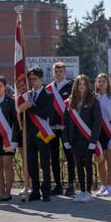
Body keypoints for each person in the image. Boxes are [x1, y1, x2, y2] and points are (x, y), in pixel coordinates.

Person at [63, 74, 102, 202]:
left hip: (88, 138)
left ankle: (89, 192)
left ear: (87, 85)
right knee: (78, 164)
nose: (82, 87)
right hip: (75, 139)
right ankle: (82, 190)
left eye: (84, 84)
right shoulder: (70, 101)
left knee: (87, 164)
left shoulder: (93, 100)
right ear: (76, 86)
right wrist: (66, 139)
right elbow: (66, 122)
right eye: (79, 84)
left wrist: (93, 141)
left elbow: (97, 122)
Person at [19, 66, 56, 201]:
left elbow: (46, 113)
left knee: (45, 163)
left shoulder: (48, 95)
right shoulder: (27, 96)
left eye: (35, 79)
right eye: (30, 79)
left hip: (43, 133)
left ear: (41, 79)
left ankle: (45, 191)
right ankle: (35, 190)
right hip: (29, 134)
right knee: (31, 164)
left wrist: (31, 106)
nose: (32, 82)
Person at [48, 61, 73, 196]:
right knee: (54, 156)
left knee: (69, 155)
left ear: (65, 72)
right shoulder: (49, 88)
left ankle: (70, 184)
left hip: (66, 127)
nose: (58, 74)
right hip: (52, 127)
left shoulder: (71, 86)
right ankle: (57, 184)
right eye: (56, 72)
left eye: (60, 71)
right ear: (53, 73)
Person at [94, 74, 111, 197]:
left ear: (108, 83)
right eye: (99, 81)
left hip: (109, 130)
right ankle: (103, 184)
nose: (101, 83)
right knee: (100, 160)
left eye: (104, 81)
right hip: (98, 131)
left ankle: (110, 186)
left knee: (110, 160)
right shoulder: (94, 98)